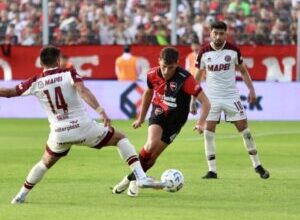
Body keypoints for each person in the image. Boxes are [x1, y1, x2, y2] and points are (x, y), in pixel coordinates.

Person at [0, 45, 163, 204]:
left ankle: (20, 196)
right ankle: (141, 177)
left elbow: (8, 93)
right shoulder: (68, 73)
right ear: (58, 60)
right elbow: (83, 91)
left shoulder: (35, 81)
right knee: (120, 138)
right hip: (84, 128)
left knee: (44, 163)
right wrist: (101, 111)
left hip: (59, 133)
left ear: (41, 63)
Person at [112, 47, 211, 197]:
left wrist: (201, 122)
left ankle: (130, 180)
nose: (166, 71)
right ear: (159, 61)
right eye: (163, 66)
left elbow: (206, 102)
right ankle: (137, 179)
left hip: (176, 121)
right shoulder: (152, 74)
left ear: (177, 64)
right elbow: (148, 93)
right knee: (152, 143)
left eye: (170, 68)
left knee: (152, 158)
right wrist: (141, 117)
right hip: (159, 111)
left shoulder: (185, 79)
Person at [191, 21, 270, 179]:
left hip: (231, 96)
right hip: (211, 98)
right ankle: (212, 170)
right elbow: (198, 76)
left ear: (225, 34)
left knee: (245, 131)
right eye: (215, 33)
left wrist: (252, 89)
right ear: (210, 33)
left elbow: (243, 71)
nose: (218, 36)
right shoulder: (204, 52)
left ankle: (257, 165)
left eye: (221, 33)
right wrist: (193, 98)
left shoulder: (233, 50)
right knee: (208, 133)